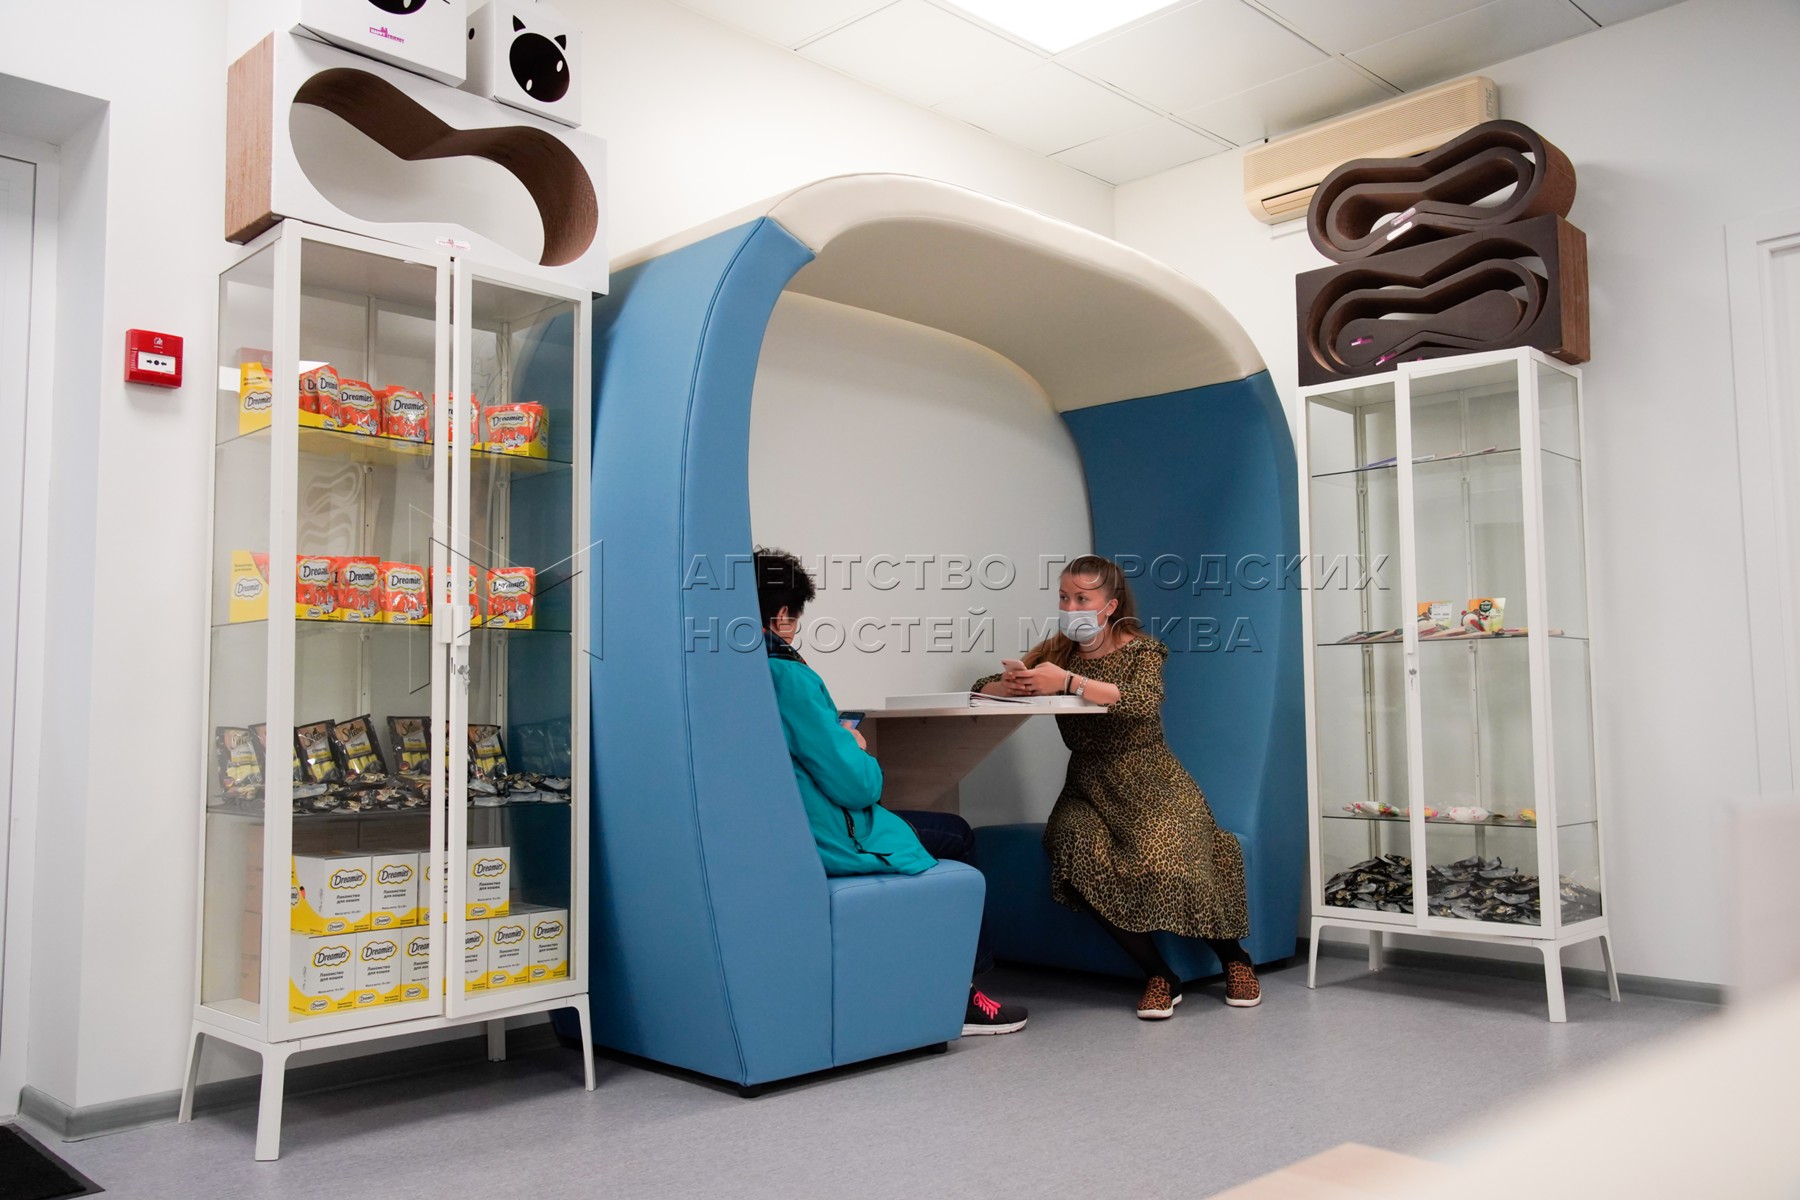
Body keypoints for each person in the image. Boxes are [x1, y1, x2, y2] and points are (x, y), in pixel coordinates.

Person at [972, 554, 1259, 1019]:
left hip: (1152, 780)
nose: (1070, 607)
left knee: (1174, 858)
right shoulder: (1054, 651)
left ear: (1110, 605)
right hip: (1087, 784)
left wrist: (1068, 682)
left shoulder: (1141, 651)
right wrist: (1013, 684)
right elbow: (981, 686)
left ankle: (1235, 960)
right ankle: (1159, 975)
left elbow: (1143, 700)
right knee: (1073, 846)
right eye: (1064, 597)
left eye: (1082, 599)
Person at [755, 546, 1027, 1036]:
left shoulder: (730, 675)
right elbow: (856, 786)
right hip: (828, 836)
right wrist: (858, 748)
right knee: (957, 834)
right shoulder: (788, 676)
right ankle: (964, 994)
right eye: (795, 619)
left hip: (782, 829)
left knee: (941, 827)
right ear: (781, 615)